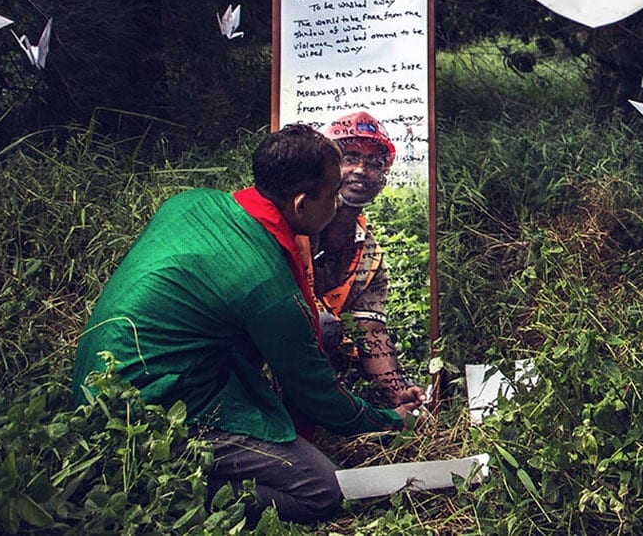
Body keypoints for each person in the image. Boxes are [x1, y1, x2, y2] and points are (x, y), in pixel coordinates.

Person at [72, 124, 421, 524]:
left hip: (98, 382)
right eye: (332, 194)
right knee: (321, 490)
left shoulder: (193, 203)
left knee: (321, 329)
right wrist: (392, 421)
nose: (343, 195)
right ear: (302, 204)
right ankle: (164, 483)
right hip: (150, 408)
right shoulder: (265, 284)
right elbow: (320, 398)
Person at [310, 110, 424, 409]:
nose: (361, 170)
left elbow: (371, 330)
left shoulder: (368, 254)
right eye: (350, 158)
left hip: (317, 356)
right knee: (324, 327)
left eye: (374, 163)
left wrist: (398, 391)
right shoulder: (293, 223)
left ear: (383, 178)